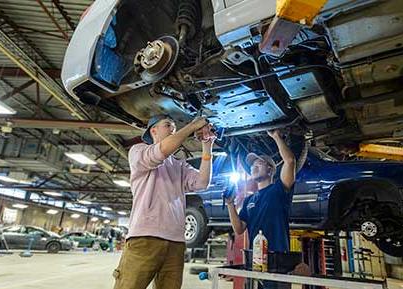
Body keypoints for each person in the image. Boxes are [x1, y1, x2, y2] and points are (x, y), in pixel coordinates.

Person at [113, 114, 215, 289]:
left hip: (175, 242)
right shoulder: (138, 151)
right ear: (153, 131)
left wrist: (207, 146)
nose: (173, 130)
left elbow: (202, 182)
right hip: (145, 238)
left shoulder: (179, 165)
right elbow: (162, 150)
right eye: (168, 125)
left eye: (174, 127)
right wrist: (192, 126)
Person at [226, 129, 295, 289]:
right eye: (252, 165)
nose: (253, 167)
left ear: (270, 169)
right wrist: (230, 205)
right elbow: (239, 229)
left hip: (278, 259)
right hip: (256, 259)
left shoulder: (280, 189)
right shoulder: (250, 199)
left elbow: (290, 161)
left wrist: (276, 136)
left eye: (259, 163)